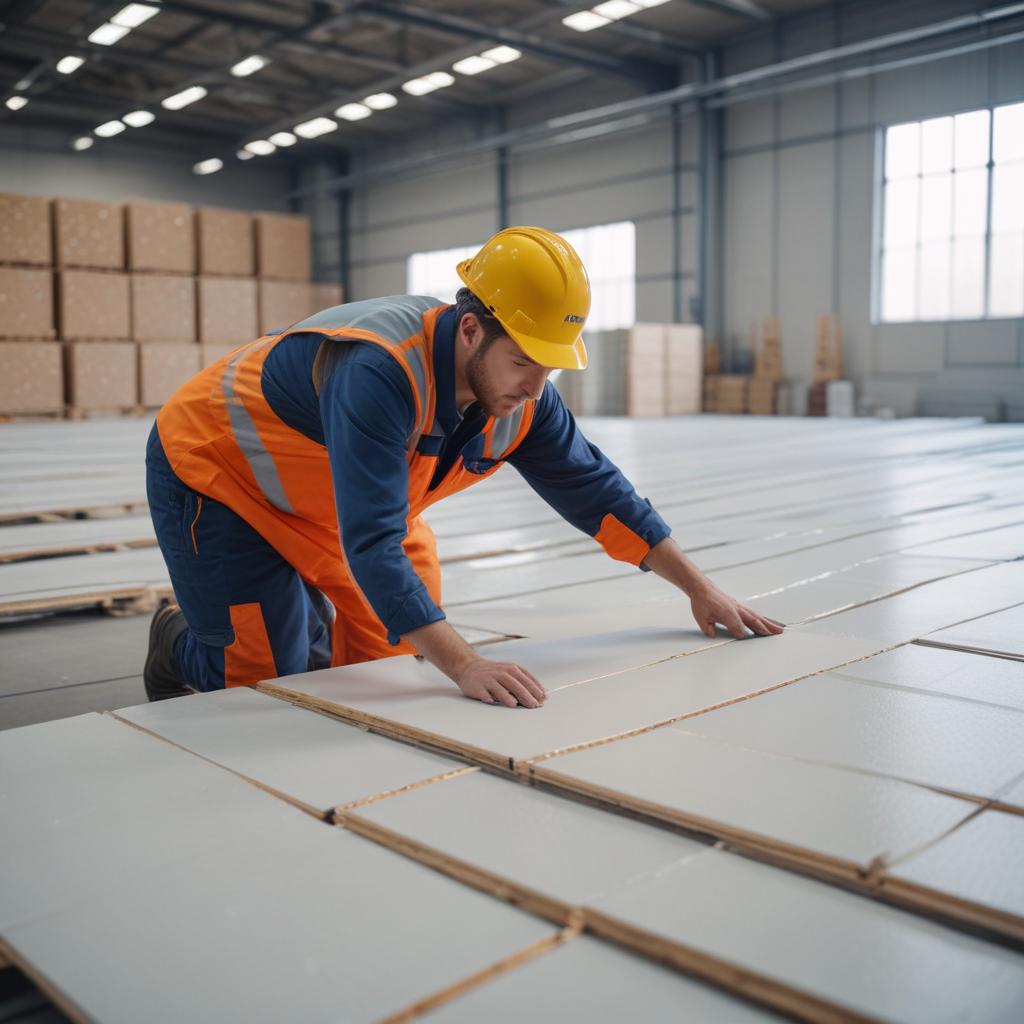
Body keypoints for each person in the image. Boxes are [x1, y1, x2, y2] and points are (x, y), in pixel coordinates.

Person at [144, 226, 782, 708]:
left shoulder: (522, 399)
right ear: (471, 329)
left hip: (334, 504)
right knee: (259, 682)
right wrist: (466, 665)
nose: (536, 387)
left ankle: (293, 608)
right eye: (525, 362)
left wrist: (700, 588)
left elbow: (599, 493)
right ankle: (177, 638)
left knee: (384, 670)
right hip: (222, 476)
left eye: (550, 367)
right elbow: (373, 542)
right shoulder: (379, 371)